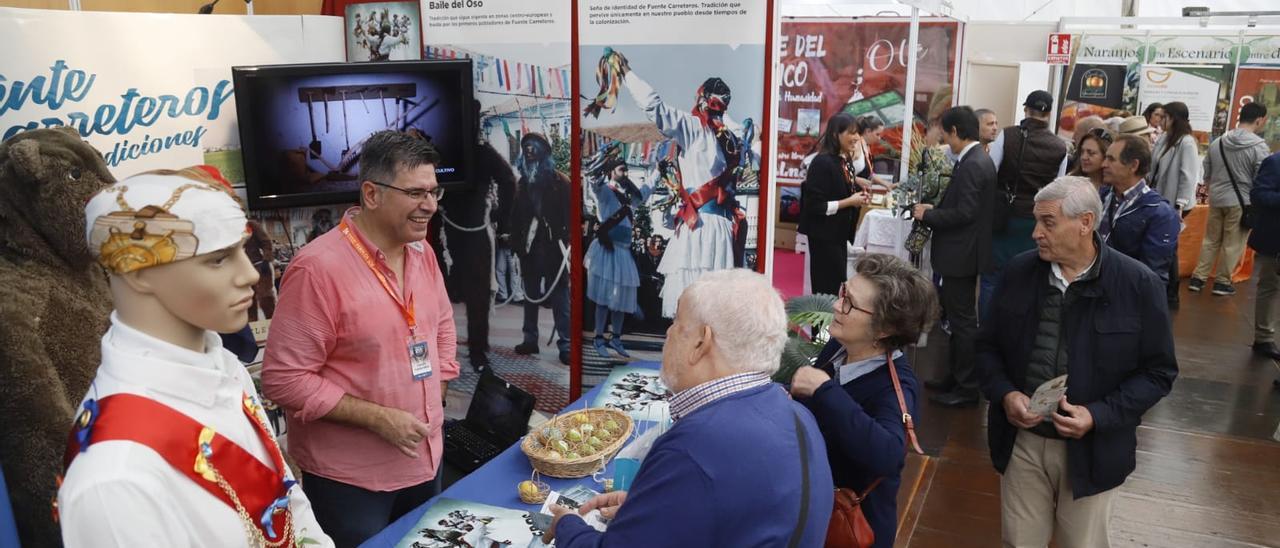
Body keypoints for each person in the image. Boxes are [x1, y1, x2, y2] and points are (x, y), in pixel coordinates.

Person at [60, 167, 332, 547]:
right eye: (218, 259)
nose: (250, 274)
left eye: (242, 249)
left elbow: (285, 498)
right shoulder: (115, 477)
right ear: (138, 269)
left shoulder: (225, 367)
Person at [261, 131, 459, 547]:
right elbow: (284, 379)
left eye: (434, 190)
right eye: (416, 193)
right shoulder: (317, 269)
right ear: (372, 194)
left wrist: (438, 384)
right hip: (351, 484)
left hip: (428, 460)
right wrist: (378, 418)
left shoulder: (422, 253)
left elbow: (441, 324)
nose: (431, 205)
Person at [544, 269, 834, 547]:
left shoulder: (694, 445)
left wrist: (569, 526)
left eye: (676, 322)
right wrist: (649, 510)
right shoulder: (798, 415)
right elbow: (749, 514)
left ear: (701, 342)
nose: (669, 334)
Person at [976, 176, 1177, 548]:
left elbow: (1158, 372)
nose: (1035, 233)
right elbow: (986, 348)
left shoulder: (1137, 285)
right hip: (1023, 440)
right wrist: (1005, 395)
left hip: (1094, 451)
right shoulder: (1019, 273)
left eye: (1048, 222)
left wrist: (1097, 415)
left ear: (1085, 223)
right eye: (1036, 221)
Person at [789, 253, 936, 548]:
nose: (836, 306)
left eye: (849, 303)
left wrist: (824, 391)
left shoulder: (895, 388)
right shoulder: (839, 346)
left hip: (850, 530)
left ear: (884, 329)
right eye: (844, 293)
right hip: (814, 513)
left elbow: (888, 454)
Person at [594, 48, 751, 317]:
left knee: (692, 303)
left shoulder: (692, 126)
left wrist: (626, 72)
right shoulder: (737, 136)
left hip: (698, 227)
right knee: (717, 306)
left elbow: (653, 106)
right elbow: (751, 138)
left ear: (701, 99)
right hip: (723, 228)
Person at [912, 106, 996, 407]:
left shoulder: (974, 163)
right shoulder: (973, 160)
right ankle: (955, 377)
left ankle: (966, 386)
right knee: (955, 320)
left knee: (962, 323)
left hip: (962, 254)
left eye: (946, 135)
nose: (946, 141)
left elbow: (966, 213)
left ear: (956, 132)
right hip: (961, 253)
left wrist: (930, 213)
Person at [435, 108, 516, 373]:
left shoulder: (481, 153)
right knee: (436, 294)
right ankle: (441, 351)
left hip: (472, 232)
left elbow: (508, 181)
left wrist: (500, 216)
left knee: (478, 296)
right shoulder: (440, 149)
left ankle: (478, 352)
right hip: (440, 228)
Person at [980, 90, 1069, 323]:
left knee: (992, 278)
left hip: (1003, 218)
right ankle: (1017, 327)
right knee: (1027, 278)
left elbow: (989, 173)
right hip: (1036, 221)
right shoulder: (1060, 147)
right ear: (1049, 113)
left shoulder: (1007, 136)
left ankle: (988, 328)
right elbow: (1058, 189)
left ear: (1025, 109)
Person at [1191, 103, 1270, 297]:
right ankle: (1222, 282)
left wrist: (1214, 187)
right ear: (1259, 120)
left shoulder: (1218, 142)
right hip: (1242, 201)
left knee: (1210, 240)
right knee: (1233, 243)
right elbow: (1262, 176)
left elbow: (1206, 171)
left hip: (1217, 198)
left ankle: (1198, 278)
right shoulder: (1259, 147)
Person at [510, 132, 572, 365]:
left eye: (534, 152)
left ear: (544, 155)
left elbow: (573, 217)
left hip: (554, 250)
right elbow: (515, 218)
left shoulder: (561, 183)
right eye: (527, 152)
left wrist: (568, 242)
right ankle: (530, 339)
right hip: (530, 250)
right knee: (530, 296)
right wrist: (516, 244)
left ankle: (566, 344)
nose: (530, 155)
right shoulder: (522, 184)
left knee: (560, 299)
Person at [585, 150, 652, 359]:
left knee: (621, 300)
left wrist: (658, 169)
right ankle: (598, 338)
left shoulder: (630, 199)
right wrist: (600, 163)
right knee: (604, 298)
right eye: (622, 169)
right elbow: (593, 182)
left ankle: (616, 338)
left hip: (623, 252)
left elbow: (647, 190)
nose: (625, 173)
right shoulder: (604, 191)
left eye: (626, 169)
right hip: (607, 250)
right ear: (612, 172)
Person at [798, 112, 870, 295]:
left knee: (835, 288)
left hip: (838, 236)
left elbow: (839, 192)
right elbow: (815, 206)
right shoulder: (822, 163)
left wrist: (857, 199)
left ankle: (831, 324)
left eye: (857, 133)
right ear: (835, 135)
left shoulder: (844, 161)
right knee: (825, 291)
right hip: (824, 237)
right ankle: (822, 325)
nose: (856, 138)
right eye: (851, 133)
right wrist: (849, 201)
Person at [1098, 135, 1181, 284]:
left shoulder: (1160, 213)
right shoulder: (1100, 196)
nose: (1103, 164)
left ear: (1133, 165)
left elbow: (1152, 276)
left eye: (1111, 159)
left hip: (1122, 297)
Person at [1149, 101, 1199, 305]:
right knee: (1166, 244)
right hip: (1161, 199)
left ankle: (1172, 292)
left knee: (1169, 245)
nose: (1161, 120)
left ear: (1174, 118)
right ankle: (1167, 290)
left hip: (1175, 202)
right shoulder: (1166, 138)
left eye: (1165, 116)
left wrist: (1180, 204)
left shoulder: (1186, 142)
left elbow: (1188, 175)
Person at [1250, 150, 1280, 361]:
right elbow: (1259, 195)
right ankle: (1263, 337)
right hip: (1275, 238)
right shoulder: (1274, 162)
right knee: (1270, 285)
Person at [854, 115, 894, 190]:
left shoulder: (866, 146)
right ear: (868, 131)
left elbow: (870, 173)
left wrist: (887, 184)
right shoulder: (856, 146)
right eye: (877, 134)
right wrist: (858, 180)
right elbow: (842, 172)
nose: (879, 138)